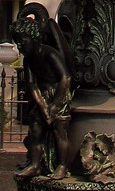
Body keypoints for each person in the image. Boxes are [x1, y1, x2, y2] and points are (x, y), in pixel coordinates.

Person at [10, 14, 73, 180]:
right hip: (43, 97)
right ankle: (36, 165)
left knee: (60, 132)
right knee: (35, 131)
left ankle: (62, 166)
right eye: (17, 42)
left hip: (58, 94)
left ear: (33, 38)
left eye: (23, 41)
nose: (20, 45)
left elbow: (65, 78)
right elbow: (32, 84)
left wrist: (55, 105)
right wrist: (43, 106)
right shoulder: (28, 60)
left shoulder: (49, 54)